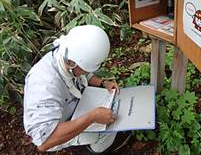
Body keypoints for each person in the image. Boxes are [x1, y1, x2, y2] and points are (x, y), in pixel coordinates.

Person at [23, 25, 129, 154]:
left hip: (75, 107)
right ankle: (92, 150)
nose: (87, 72)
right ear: (71, 64)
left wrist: (103, 83)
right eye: (86, 69)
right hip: (57, 131)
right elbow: (44, 142)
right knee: (107, 130)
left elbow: (84, 74)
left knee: (110, 114)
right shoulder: (44, 86)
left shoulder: (67, 54)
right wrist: (92, 117)